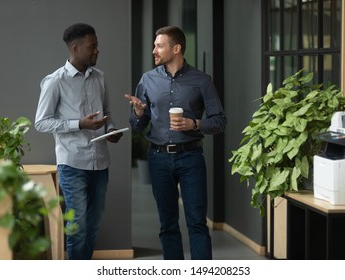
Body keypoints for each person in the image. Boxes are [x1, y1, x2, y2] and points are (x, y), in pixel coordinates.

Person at [125, 26, 226, 260]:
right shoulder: (147, 80)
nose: (154, 50)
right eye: (154, 45)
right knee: (167, 224)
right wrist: (139, 113)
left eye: (159, 45)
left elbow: (220, 121)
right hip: (158, 158)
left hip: (191, 157)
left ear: (176, 48)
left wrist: (194, 125)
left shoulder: (201, 80)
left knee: (197, 223)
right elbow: (138, 125)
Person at [35, 23, 123, 260]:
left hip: (101, 164)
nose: (97, 51)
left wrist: (112, 129)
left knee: (93, 226)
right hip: (72, 164)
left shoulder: (100, 77)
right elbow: (41, 122)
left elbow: (108, 113)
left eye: (97, 46)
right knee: (78, 227)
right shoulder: (55, 81)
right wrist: (79, 124)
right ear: (75, 48)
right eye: (92, 46)